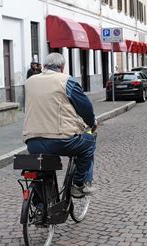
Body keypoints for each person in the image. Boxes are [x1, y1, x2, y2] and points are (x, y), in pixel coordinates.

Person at [23, 53, 97, 196]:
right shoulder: (66, 81)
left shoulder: (29, 82)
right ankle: (79, 184)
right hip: (62, 140)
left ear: (44, 66)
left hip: (32, 141)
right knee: (89, 144)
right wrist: (91, 122)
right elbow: (85, 107)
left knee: (42, 170)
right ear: (62, 67)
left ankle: (41, 204)